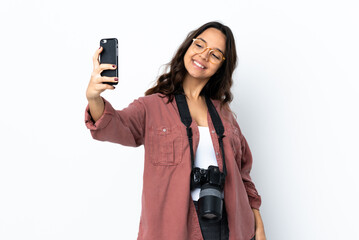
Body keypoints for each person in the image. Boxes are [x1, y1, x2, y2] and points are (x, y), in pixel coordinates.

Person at [85, 21, 266, 240]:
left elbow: (243, 174)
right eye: (200, 45)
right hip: (173, 229)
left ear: (221, 66)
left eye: (215, 54)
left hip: (230, 227)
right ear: (188, 47)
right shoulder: (152, 107)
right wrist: (94, 97)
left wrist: (258, 225)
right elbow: (114, 126)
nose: (204, 55)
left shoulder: (225, 116)